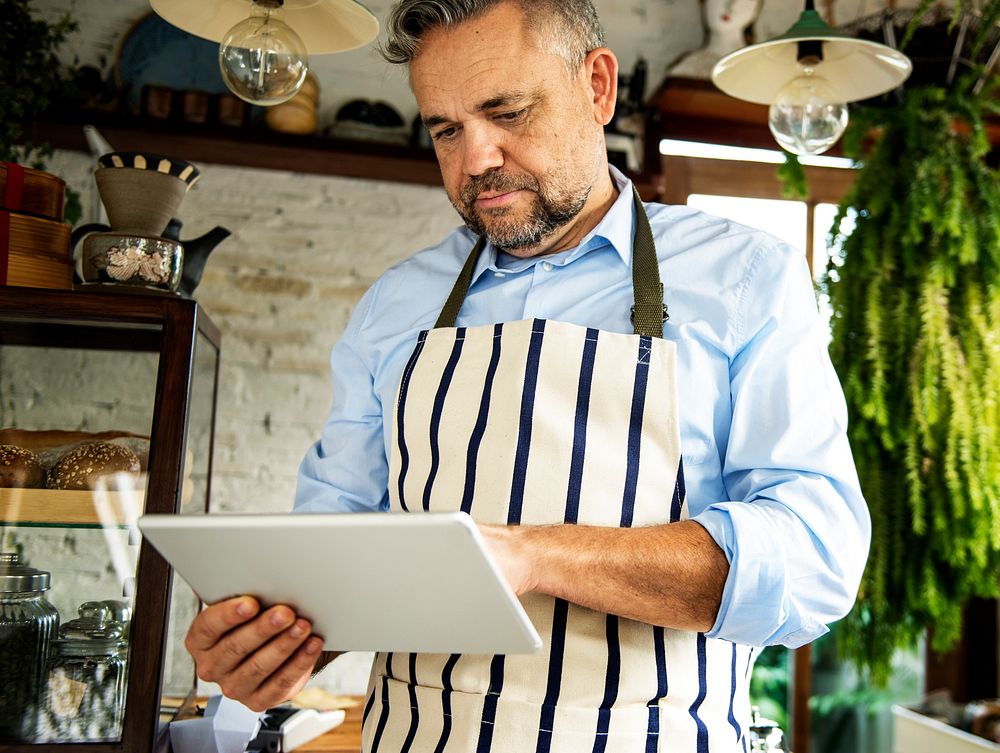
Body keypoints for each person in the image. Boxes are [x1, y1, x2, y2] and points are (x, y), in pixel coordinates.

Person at [183, 0, 870, 750]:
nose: (476, 158)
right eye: (446, 129)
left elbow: (815, 560)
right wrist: (275, 637)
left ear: (598, 87)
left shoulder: (742, 277)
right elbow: (332, 551)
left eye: (506, 111)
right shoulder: (397, 303)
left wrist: (534, 554)